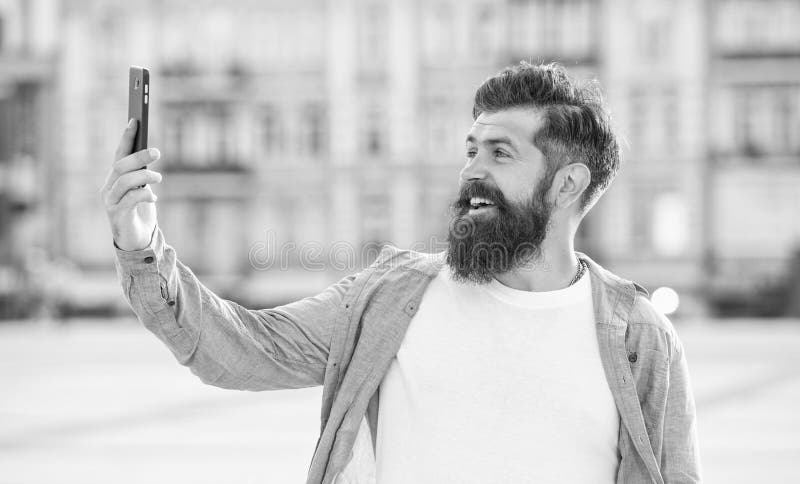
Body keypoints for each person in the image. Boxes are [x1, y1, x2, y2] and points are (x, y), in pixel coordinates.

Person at [101, 62, 701, 484]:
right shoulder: (389, 296)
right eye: (471, 149)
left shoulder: (638, 338)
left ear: (567, 184)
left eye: (501, 153)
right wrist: (139, 241)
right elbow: (236, 350)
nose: (472, 172)